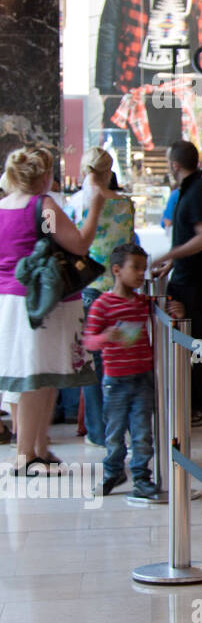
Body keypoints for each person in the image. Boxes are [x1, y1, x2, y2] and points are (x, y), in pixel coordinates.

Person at [0, 147, 106, 474]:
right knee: (36, 379)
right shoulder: (43, 206)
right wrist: (95, 209)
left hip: (10, 300)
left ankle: (39, 448)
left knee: (38, 376)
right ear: (44, 176)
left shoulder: (2, 206)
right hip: (42, 303)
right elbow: (79, 244)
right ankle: (26, 455)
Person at [94, 0, 202, 150]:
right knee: (130, 151)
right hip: (134, 78)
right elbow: (109, 26)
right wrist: (105, 88)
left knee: (177, 152)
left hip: (179, 80)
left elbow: (201, 31)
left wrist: (200, 80)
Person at [150, 141, 202, 427]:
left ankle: (201, 404)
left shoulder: (199, 192)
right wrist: (172, 262)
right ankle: (192, 400)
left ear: (175, 164)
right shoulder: (190, 191)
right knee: (191, 336)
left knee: (197, 337)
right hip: (188, 274)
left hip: (197, 278)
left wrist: (170, 254)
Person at [83, 244, 162, 498]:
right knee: (115, 432)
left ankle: (141, 477)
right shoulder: (101, 305)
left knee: (142, 432)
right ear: (117, 270)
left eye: (143, 268)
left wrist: (175, 309)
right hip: (115, 381)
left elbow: (165, 308)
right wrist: (106, 336)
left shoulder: (144, 303)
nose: (141, 274)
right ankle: (113, 472)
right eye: (135, 268)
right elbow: (89, 341)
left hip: (143, 379)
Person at [79, 147, 137, 450]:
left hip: (90, 287)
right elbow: (128, 243)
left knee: (94, 363)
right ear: (110, 169)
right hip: (119, 288)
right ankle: (123, 424)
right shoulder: (126, 205)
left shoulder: (81, 203)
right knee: (120, 360)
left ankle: (98, 431)